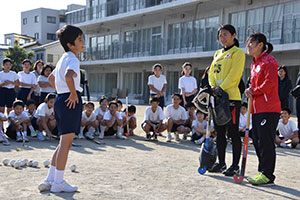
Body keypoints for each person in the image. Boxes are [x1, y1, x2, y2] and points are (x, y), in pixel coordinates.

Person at [38, 25, 85, 193]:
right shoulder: (73, 58)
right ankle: (58, 182)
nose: (83, 42)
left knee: (62, 143)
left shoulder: (62, 58)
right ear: (70, 44)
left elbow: (52, 77)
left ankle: (51, 178)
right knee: (66, 143)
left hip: (60, 98)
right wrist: (72, 94)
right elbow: (68, 76)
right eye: (80, 40)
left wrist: (61, 92)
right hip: (69, 99)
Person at [208, 24, 245, 176]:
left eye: (225, 34)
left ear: (233, 35)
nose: (222, 38)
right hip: (217, 98)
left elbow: (235, 75)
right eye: (220, 35)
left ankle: (235, 165)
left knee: (233, 133)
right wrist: (212, 87)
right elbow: (211, 72)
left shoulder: (238, 53)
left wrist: (221, 88)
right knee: (220, 132)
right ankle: (221, 162)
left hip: (231, 98)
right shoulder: (217, 53)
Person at [245, 32, 281, 186]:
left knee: (266, 142)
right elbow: (255, 86)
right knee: (258, 141)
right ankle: (262, 171)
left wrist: (254, 91)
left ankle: (267, 174)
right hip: (256, 109)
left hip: (269, 108)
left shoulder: (269, 61)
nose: (248, 45)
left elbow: (270, 83)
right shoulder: (254, 63)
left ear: (260, 45)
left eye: (250, 42)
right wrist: (249, 89)